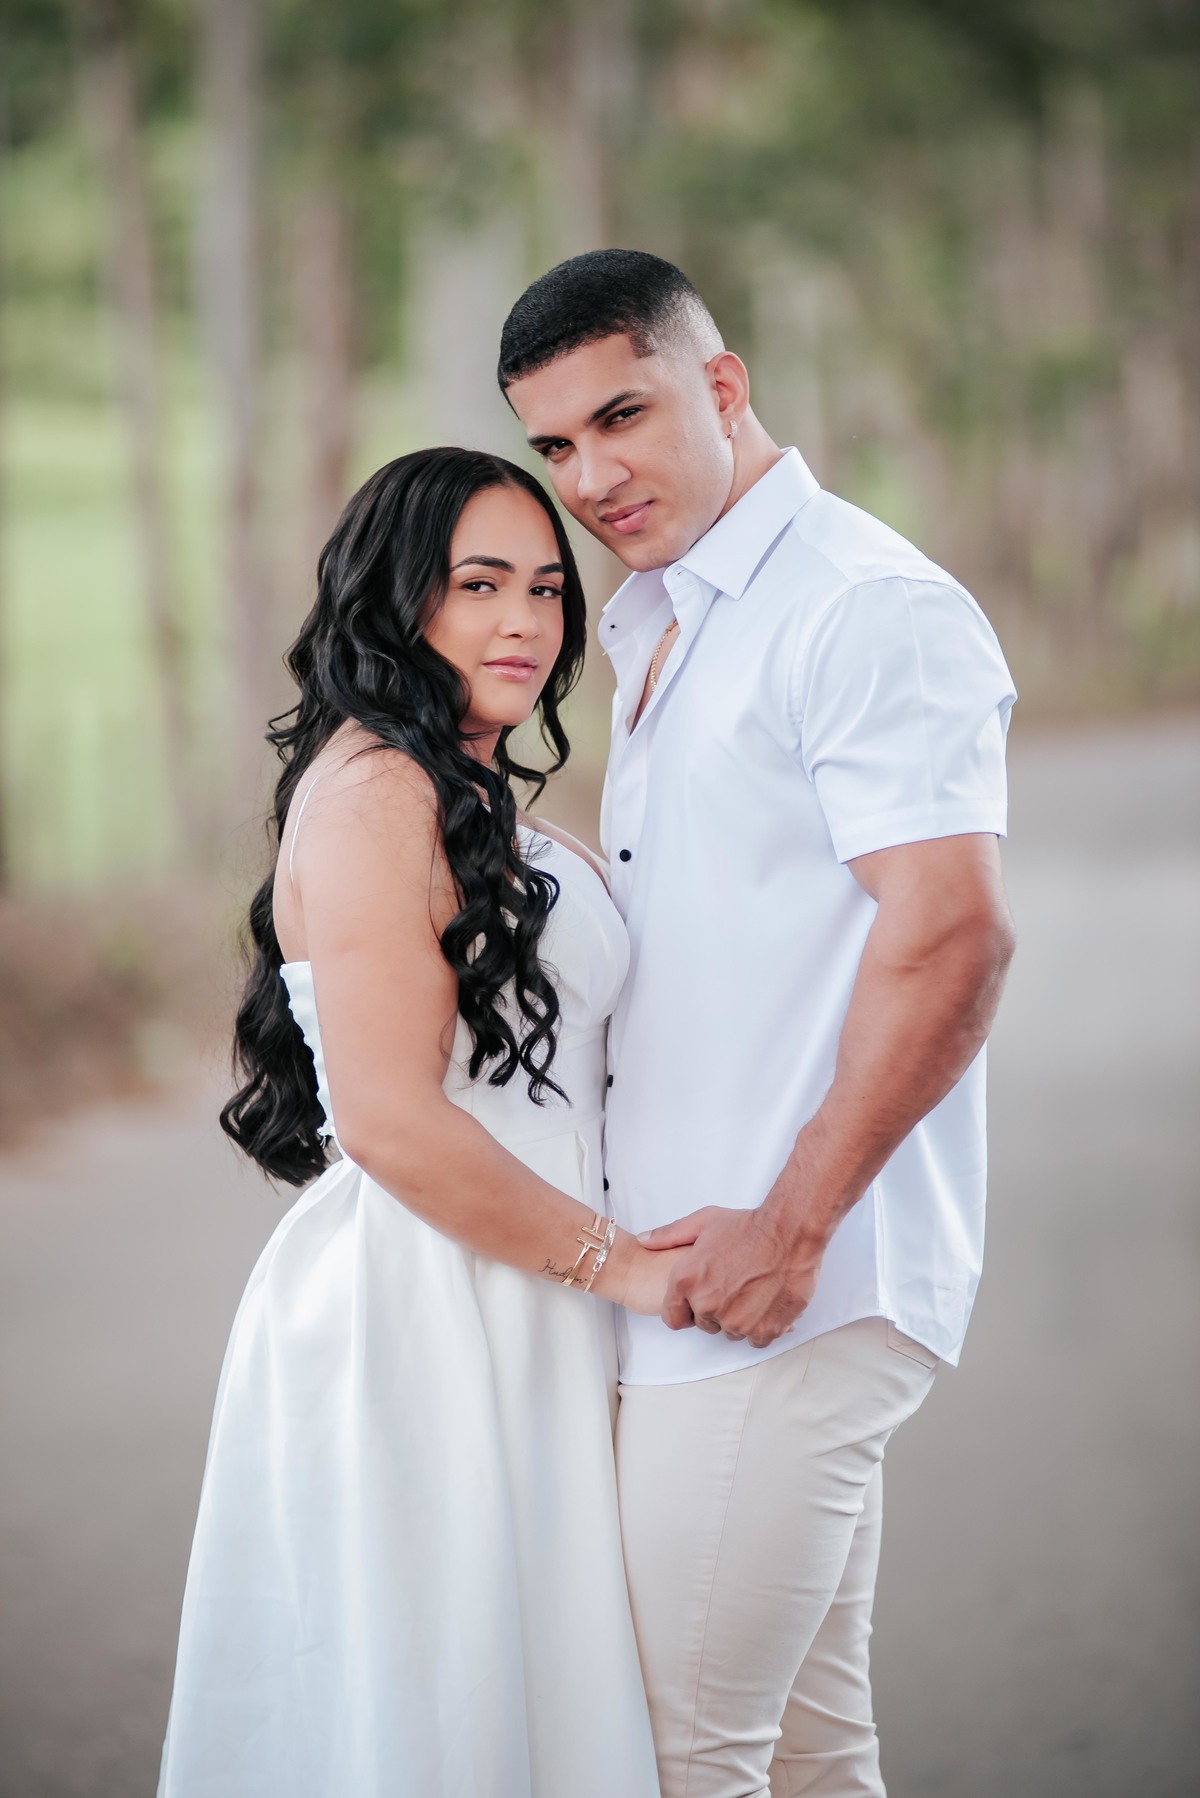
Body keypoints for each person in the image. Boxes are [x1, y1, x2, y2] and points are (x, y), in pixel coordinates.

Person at [499, 249, 1018, 1798]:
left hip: (788, 1284)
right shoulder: (659, 620)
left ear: (721, 385)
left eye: (623, 416)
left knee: (675, 1762)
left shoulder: (860, 608)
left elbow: (954, 933)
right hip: (694, 1285)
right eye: (555, 444)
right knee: (803, 1756)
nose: (590, 478)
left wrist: (793, 1226)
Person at [157, 448, 667, 1798]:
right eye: (478, 584)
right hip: (437, 1302)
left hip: (526, 1277)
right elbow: (389, 1119)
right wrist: (625, 1267)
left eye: (547, 588)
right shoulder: (377, 793)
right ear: (396, 599)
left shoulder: (463, 783)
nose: (524, 622)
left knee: (536, 1697)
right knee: (443, 1709)